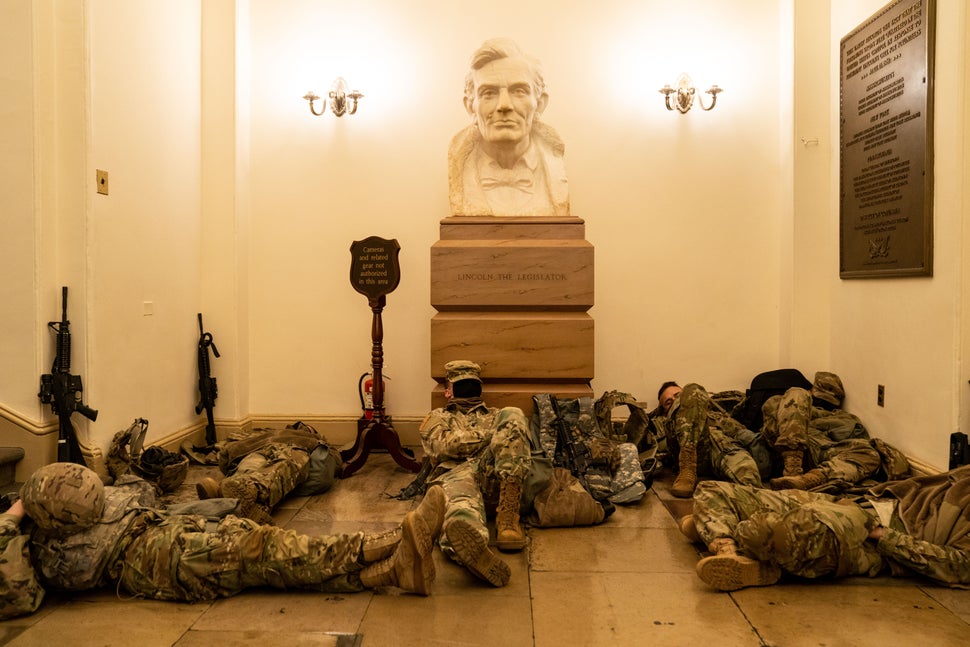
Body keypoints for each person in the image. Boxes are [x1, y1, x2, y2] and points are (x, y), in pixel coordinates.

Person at [0, 463, 447, 620]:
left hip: (162, 530)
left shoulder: (76, 510)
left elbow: (139, 491)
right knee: (265, 553)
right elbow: (18, 597)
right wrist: (13, 520)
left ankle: (392, 569)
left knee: (262, 544)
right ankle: (384, 544)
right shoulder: (38, 553)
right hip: (159, 559)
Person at [680, 464, 970, 591]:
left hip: (870, 539)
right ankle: (725, 546)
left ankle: (723, 530)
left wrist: (884, 536)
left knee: (762, 531)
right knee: (709, 489)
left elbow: (961, 567)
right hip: (855, 504)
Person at [419, 360, 534, 587]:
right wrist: (493, 436)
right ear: (447, 391)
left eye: (471, 384)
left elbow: (514, 436)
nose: (468, 390)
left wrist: (484, 437)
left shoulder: (498, 414)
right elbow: (445, 446)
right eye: (462, 385)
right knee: (460, 512)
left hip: (495, 478)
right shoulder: (438, 417)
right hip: (456, 475)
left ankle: (508, 519)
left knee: (514, 413)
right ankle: (475, 551)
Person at [448, 38, 569, 217]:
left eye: (518, 91)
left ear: (540, 103)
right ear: (470, 106)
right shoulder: (461, 165)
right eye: (488, 93)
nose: (504, 105)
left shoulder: (553, 166)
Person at [194, 421, 340, 524]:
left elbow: (334, 463)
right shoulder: (269, 432)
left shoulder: (316, 442)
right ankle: (245, 497)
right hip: (263, 449)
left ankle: (237, 495)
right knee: (253, 466)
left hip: (292, 450)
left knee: (280, 465)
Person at [760, 372, 883, 491]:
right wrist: (807, 411)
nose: (822, 404)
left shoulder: (839, 415)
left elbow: (850, 427)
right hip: (781, 444)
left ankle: (810, 479)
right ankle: (792, 468)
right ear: (811, 392)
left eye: (827, 403)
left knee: (870, 453)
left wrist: (821, 416)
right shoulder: (788, 399)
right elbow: (771, 410)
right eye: (819, 399)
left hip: (817, 451)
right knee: (797, 393)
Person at [653, 381, 766, 499]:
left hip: (736, 448)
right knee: (693, 388)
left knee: (775, 401)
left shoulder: (715, 413)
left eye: (678, 396)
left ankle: (787, 462)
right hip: (700, 453)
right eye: (668, 403)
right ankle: (687, 465)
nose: (676, 401)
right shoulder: (663, 422)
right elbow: (658, 446)